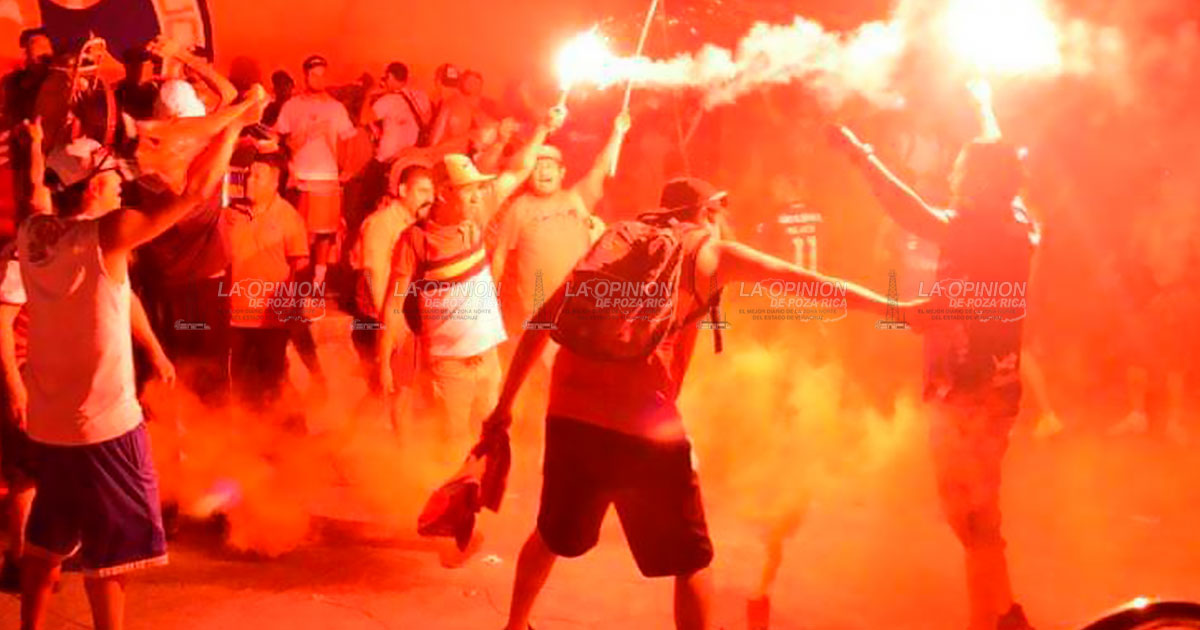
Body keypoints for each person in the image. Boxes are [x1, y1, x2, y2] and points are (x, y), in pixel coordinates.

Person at [486, 177, 915, 630]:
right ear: (706, 212)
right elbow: (810, 285)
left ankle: (516, 626)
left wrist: (503, 407)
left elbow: (541, 321)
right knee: (690, 560)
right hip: (643, 424)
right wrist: (896, 308)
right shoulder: (712, 253)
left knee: (553, 534)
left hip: (571, 411)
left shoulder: (619, 244)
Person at [16, 87, 264, 630]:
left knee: (46, 543)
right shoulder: (110, 234)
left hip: (51, 426)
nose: (121, 183)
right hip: (104, 429)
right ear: (86, 191)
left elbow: (34, 191)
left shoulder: (32, 233)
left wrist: (35, 143)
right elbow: (198, 189)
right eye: (109, 178)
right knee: (115, 557)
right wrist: (234, 124)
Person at [827, 82, 1039, 630]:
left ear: (985, 181)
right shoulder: (1017, 218)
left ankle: (996, 620)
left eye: (962, 170)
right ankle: (998, 617)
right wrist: (983, 105)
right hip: (993, 384)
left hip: (966, 390)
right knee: (979, 518)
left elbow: (911, 213)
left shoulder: (979, 225)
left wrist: (861, 155)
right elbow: (997, 151)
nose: (952, 176)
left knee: (970, 520)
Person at [377, 105, 565, 452]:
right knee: (454, 442)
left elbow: (519, 169)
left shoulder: (476, 216)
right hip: (450, 366)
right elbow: (393, 305)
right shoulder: (415, 240)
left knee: (493, 432)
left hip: (488, 357)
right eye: (468, 190)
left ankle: (486, 495)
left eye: (479, 189)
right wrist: (384, 360)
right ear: (445, 193)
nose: (478, 195)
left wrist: (543, 126)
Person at [490, 109, 628, 341]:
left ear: (562, 172)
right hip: (540, 310)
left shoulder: (577, 198)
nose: (543, 170)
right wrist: (488, 302)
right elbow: (500, 256)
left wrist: (618, 133)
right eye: (537, 166)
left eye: (550, 165)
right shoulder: (519, 208)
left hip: (583, 304)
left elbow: (600, 168)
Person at [224, 151, 310, 414]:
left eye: (257, 176)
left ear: (274, 182)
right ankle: (244, 441)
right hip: (235, 320)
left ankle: (275, 441)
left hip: (271, 322)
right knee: (237, 386)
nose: (249, 179)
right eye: (249, 174)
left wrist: (293, 312)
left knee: (270, 387)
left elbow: (301, 268)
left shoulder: (288, 218)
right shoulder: (231, 216)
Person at [271, 54, 357, 289]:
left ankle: (318, 282)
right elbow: (278, 136)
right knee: (297, 233)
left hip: (327, 179)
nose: (318, 79)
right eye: (313, 74)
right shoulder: (292, 106)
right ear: (305, 75)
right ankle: (293, 282)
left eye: (322, 75)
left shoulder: (335, 108)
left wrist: (347, 168)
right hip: (299, 179)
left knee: (324, 234)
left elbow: (349, 138)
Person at [350, 164, 433, 394]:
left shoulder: (417, 225)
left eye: (431, 192)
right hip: (377, 319)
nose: (429, 198)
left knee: (397, 390)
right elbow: (374, 273)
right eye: (422, 191)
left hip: (402, 316)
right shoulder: (381, 223)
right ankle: (354, 429)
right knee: (384, 389)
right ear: (404, 190)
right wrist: (389, 325)